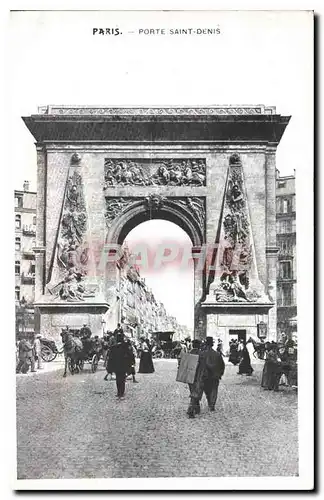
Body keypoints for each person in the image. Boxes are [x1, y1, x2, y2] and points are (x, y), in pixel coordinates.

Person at [187, 337, 225, 418]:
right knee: (213, 390)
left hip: (203, 376)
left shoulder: (202, 354)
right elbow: (222, 365)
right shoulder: (217, 354)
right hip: (214, 376)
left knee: (197, 393)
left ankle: (193, 408)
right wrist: (219, 374)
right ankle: (211, 405)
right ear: (212, 344)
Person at [107, 333, 133, 399]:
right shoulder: (125, 346)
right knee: (122, 379)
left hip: (116, 365)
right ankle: (122, 392)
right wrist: (131, 364)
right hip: (124, 365)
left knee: (118, 379)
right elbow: (130, 355)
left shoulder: (113, 347)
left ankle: (119, 392)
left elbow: (110, 358)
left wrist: (109, 369)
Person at [187, 339, 202, 416]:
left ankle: (197, 408)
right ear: (199, 345)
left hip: (190, 376)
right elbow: (203, 366)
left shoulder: (189, 353)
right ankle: (191, 410)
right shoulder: (201, 353)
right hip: (198, 376)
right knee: (196, 393)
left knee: (193, 391)